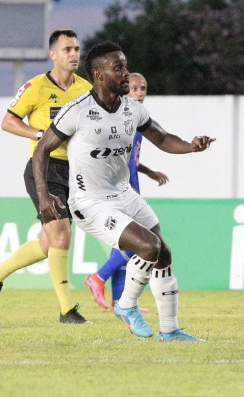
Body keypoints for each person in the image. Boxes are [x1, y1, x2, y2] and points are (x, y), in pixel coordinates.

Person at [32, 41, 215, 342]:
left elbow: (163, 138)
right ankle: (126, 305)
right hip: (89, 202)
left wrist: (191, 147)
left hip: (123, 194)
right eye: (119, 68)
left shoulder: (133, 109)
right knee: (149, 247)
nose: (127, 73)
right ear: (99, 75)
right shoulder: (77, 111)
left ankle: (170, 330)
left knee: (163, 254)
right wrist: (43, 195)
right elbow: (42, 150)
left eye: (126, 65)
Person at [0, 29, 93, 324]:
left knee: (48, 244)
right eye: (67, 49)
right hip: (44, 168)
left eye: (77, 49)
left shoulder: (85, 89)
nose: (74, 54)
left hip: (74, 171)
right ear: (52, 54)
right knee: (61, 235)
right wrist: (40, 133)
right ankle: (67, 310)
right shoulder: (36, 86)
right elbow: (8, 121)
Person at [84, 72, 169, 312]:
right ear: (124, 90)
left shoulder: (136, 121)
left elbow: (130, 159)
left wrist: (149, 171)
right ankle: (98, 277)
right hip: (123, 190)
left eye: (143, 88)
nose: (139, 93)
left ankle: (119, 301)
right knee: (136, 245)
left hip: (132, 187)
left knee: (123, 247)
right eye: (134, 88)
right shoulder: (119, 119)